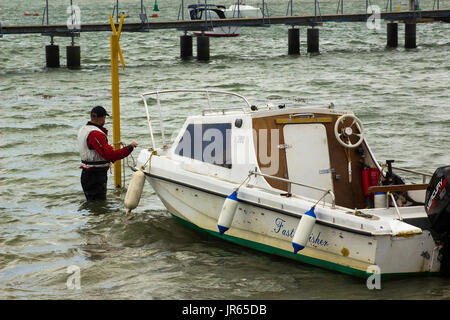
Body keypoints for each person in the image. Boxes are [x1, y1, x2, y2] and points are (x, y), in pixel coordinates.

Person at [78, 106, 138, 201]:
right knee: (99, 206)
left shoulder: (84, 129)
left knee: (93, 205)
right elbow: (110, 156)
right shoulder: (96, 133)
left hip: (88, 173)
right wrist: (129, 147)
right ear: (102, 118)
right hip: (95, 176)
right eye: (105, 118)